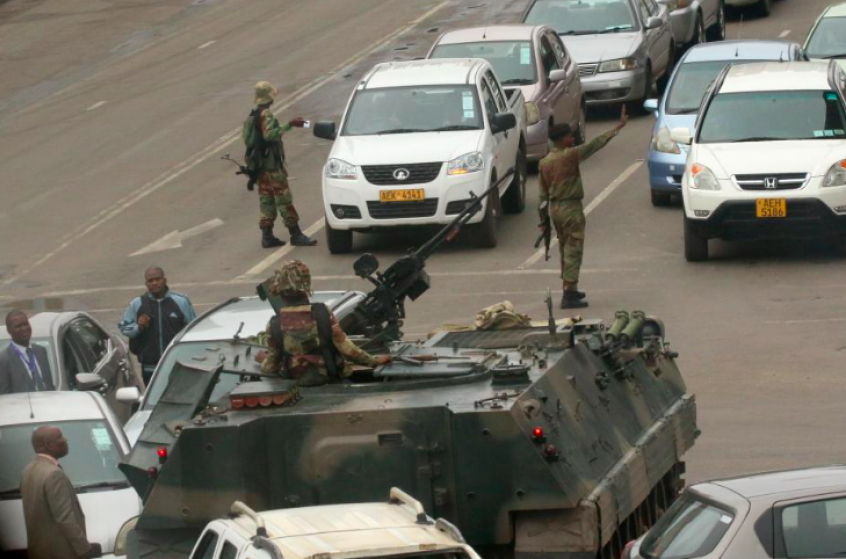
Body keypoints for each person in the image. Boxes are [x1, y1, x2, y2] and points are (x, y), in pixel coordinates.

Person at [538, 105, 628, 309]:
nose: (572, 139)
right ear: (562, 140)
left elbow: (542, 196)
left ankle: (570, 287)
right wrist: (618, 127)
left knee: (565, 248)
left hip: (555, 210)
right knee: (574, 249)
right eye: (569, 136)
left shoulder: (544, 163)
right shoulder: (569, 155)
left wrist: (543, 220)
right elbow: (595, 145)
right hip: (570, 209)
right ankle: (568, 295)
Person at [257, 260, 390, 386]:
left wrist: (264, 360)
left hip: (297, 389)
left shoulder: (275, 324)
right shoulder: (322, 313)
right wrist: (374, 361)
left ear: (280, 292)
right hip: (332, 382)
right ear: (306, 287)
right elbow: (346, 348)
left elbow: (271, 365)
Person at [243, 81, 317, 248]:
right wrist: (290, 125)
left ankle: (267, 237)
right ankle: (295, 234)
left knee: (266, 200)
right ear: (269, 96)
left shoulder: (252, 115)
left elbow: (248, 139)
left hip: (260, 167)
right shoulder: (266, 114)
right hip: (271, 167)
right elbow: (269, 135)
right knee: (284, 199)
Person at [20, 426, 102, 559]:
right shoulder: (54, 474)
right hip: (61, 553)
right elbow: (65, 518)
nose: (65, 440)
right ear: (49, 445)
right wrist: (84, 549)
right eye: (60, 437)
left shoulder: (28, 470)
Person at [118, 267, 196, 386]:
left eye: (157, 279)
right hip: (150, 367)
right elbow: (124, 328)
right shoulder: (137, 303)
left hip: (177, 363)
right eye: (150, 281)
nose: (154, 283)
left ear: (164, 280)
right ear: (146, 284)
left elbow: (193, 329)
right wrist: (138, 327)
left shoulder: (181, 302)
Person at [0, 310, 55, 394]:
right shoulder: (3, 360)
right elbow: (5, 395)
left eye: (26, 324)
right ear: (9, 331)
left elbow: (49, 385)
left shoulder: (41, 351)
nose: (24, 328)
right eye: (18, 326)